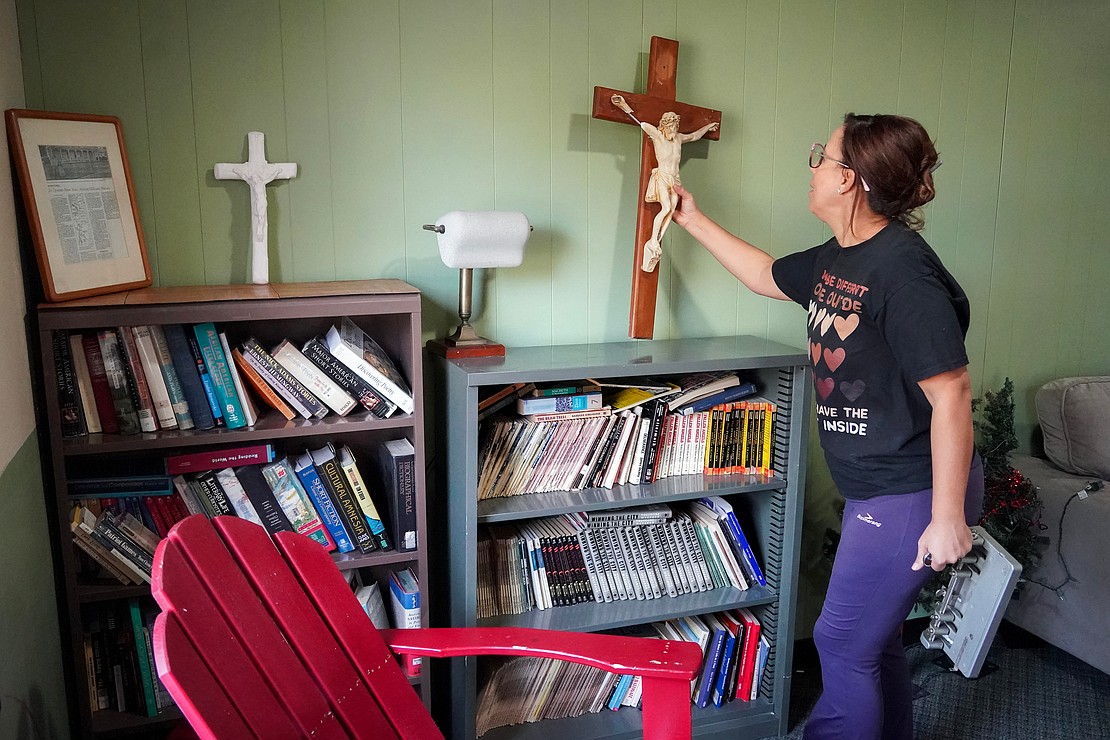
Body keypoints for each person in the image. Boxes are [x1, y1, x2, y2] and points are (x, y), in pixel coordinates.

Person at [673, 113, 984, 740]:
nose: (811, 165)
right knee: (874, 644)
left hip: (912, 494)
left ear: (851, 179)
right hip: (885, 488)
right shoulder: (841, 257)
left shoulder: (902, 271)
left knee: (841, 644)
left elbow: (952, 394)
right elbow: (766, 275)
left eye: (823, 156)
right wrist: (691, 218)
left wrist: (948, 516)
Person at [611, 94, 719, 271]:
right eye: (671, 125)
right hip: (662, 176)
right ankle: (653, 240)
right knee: (667, 208)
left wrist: (707, 127)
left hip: (675, 180)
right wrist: (623, 105)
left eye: (676, 126)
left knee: (672, 210)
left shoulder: (678, 138)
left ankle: (657, 241)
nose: (674, 129)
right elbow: (641, 123)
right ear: (665, 125)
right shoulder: (658, 136)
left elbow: (694, 136)